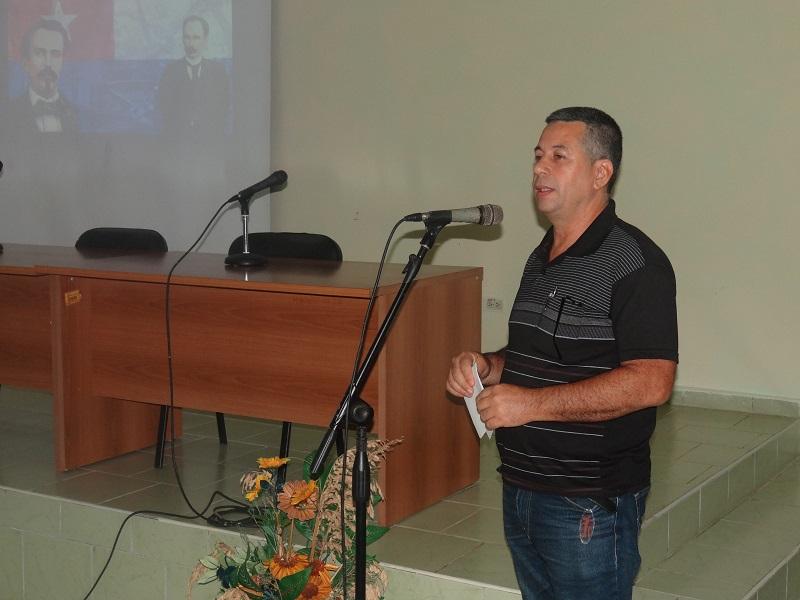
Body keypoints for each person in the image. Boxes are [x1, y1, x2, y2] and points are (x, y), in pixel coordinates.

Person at [446, 107, 678, 600]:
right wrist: (488, 367)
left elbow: (652, 380)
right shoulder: (542, 254)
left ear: (601, 172)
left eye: (558, 156)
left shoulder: (635, 263)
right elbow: (534, 357)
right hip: (524, 486)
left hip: (587, 501)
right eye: (536, 155)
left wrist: (531, 405)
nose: (539, 168)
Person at [157, 15, 230, 141]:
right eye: (187, 37)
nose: (191, 44)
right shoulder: (170, 72)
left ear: (205, 40)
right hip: (178, 144)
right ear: (182, 39)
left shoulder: (218, 72)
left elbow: (224, 108)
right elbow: (165, 109)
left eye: (196, 38)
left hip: (210, 144)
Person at [9, 19, 78, 134]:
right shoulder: (8, 113)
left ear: (62, 62)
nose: (48, 63)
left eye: (55, 54)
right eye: (39, 53)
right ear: (26, 63)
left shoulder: (75, 112)